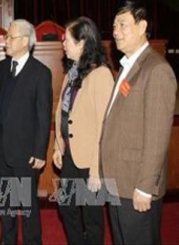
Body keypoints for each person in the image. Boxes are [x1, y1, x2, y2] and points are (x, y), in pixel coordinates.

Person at [101, 1, 177, 244]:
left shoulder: (156, 70)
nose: (115, 31)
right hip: (118, 182)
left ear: (142, 26)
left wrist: (145, 187)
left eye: (123, 25)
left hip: (136, 184)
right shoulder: (127, 66)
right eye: (114, 25)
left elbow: (157, 135)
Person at [0, 19, 53, 244]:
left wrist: (40, 151)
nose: (5, 41)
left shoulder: (40, 73)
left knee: (27, 204)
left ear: (25, 41)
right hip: (2, 149)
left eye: (10, 37)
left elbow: (44, 117)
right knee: (4, 199)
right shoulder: (2, 67)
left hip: (26, 153)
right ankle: (8, 238)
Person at [53, 17, 114, 245]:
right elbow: (62, 112)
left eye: (66, 40)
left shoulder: (101, 75)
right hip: (71, 155)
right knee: (66, 205)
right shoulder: (71, 73)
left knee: (93, 217)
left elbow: (104, 125)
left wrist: (97, 169)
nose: (63, 44)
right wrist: (58, 146)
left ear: (82, 43)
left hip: (90, 161)